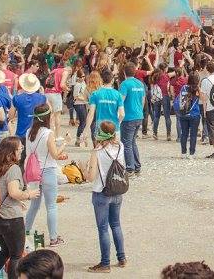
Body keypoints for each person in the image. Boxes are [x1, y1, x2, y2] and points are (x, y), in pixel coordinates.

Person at [0, 136, 38, 279]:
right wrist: (28, 194)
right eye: (19, 148)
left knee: (5, 252)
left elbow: (1, 192)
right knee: (16, 255)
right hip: (10, 219)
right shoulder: (13, 169)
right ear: (11, 152)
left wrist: (17, 201)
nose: (22, 149)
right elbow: (14, 192)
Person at [85, 120, 127, 273]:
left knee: (103, 228)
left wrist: (86, 169)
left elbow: (90, 177)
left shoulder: (97, 152)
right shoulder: (120, 146)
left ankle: (105, 263)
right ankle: (121, 258)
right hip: (117, 190)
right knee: (116, 224)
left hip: (101, 193)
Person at [24, 104, 68, 248]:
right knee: (51, 206)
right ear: (47, 117)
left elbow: (29, 153)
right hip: (47, 171)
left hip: (34, 172)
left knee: (34, 206)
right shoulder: (49, 133)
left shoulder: (29, 132)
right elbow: (55, 155)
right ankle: (53, 238)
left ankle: (24, 232)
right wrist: (65, 143)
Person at [117, 63, 145, 176]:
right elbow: (143, 100)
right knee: (133, 142)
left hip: (128, 117)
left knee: (127, 143)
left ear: (124, 73)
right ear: (135, 72)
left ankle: (130, 168)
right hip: (139, 115)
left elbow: (121, 100)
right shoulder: (140, 83)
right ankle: (137, 167)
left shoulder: (124, 84)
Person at [82, 69, 124, 140]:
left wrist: (85, 130)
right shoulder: (118, 95)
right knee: (113, 150)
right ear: (112, 80)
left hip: (100, 128)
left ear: (102, 80)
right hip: (114, 128)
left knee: (101, 149)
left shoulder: (95, 94)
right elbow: (122, 114)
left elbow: (91, 114)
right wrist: (118, 123)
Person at [175, 74, 201, 158]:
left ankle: (183, 153)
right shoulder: (197, 89)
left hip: (184, 113)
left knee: (184, 134)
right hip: (194, 114)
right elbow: (202, 98)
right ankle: (192, 153)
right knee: (193, 134)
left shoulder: (183, 87)